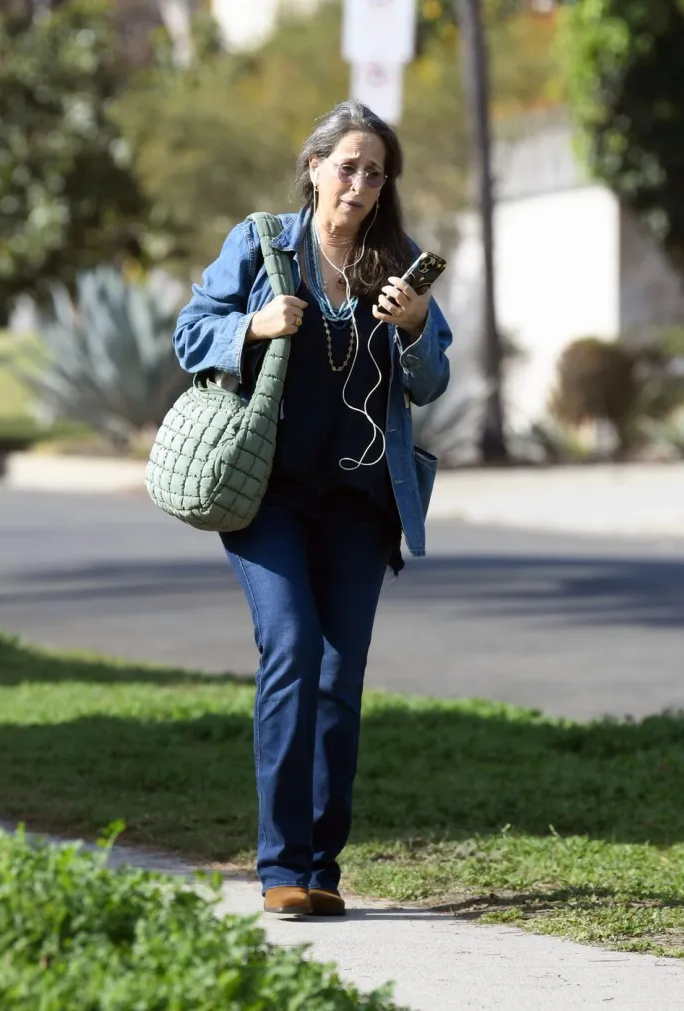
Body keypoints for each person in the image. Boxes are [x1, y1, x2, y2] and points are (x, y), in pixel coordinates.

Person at [173, 100, 452, 917]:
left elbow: (432, 382)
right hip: (267, 494)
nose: (359, 184)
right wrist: (253, 325)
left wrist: (416, 326)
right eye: (348, 167)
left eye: (376, 173)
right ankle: (280, 867)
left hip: (362, 505)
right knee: (292, 643)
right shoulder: (263, 244)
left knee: (340, 677)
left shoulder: (396, 264)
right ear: (315, 167)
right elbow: (191, 331)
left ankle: (322, 867)